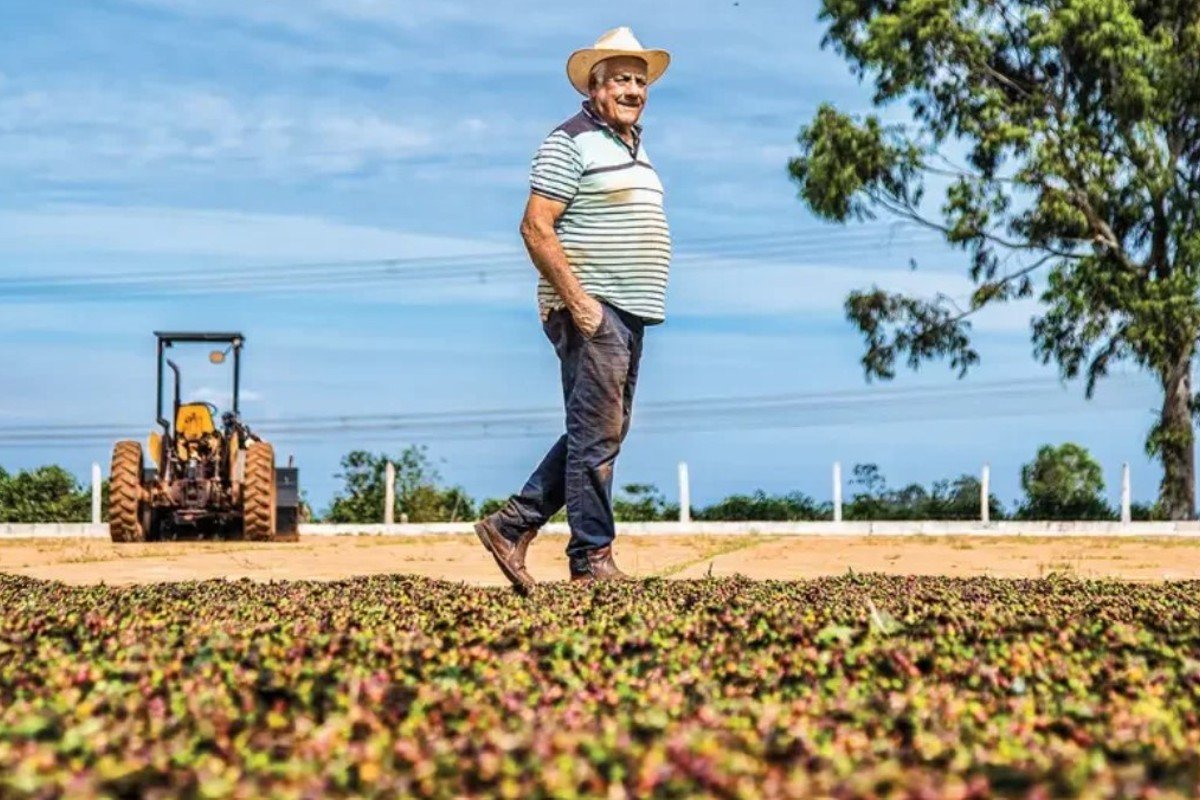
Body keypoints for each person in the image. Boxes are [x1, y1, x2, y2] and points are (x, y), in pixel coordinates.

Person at [473, 27, 672, 590]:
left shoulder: (631, 146)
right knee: (597, 433)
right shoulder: (571, 140)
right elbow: (536, 226)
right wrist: (580, 303)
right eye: (621, 79)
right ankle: (591, 558)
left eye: (640, 80)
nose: (633, 89)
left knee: (602, 431)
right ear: (595, 85)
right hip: (594, 307)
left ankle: (512, 525)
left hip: (628, 310)